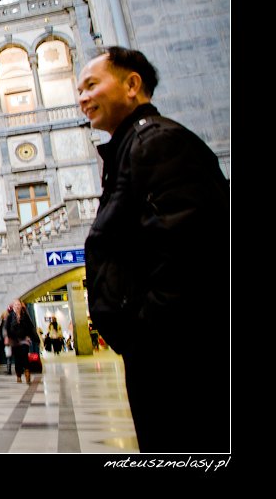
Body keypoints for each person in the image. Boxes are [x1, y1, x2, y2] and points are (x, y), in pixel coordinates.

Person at [77, 46, 230, 452]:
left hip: (179, 359)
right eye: (79, 89)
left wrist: (144, 333)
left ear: (132, 84)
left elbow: (190, 255)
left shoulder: (159, 142)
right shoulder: (131, 146)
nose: (82, 97)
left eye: (92, 84)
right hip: (162, 355)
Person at [4, 299, 39, 384]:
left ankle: (27, 373)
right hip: (14, 341)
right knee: (17, 358)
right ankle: (18, 374)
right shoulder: (10, 316)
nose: (17, 306)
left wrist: (36, 338)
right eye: (15, 304)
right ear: (13, 306)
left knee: (24, 356)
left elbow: (31, 327)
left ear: (21, 305)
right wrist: (6, 337)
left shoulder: (25, 316)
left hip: (24, 340)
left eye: (18, 304)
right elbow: (6, 328)